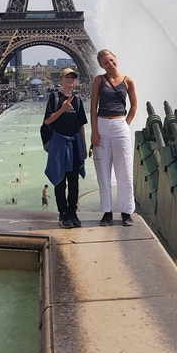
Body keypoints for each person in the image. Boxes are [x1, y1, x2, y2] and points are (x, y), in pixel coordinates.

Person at [90, 49, 137, 226]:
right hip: (101, 126)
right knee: (102, 171)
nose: (109, 64)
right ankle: (107, 212)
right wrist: (94, 132)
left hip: (120, 126)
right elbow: (93, 106)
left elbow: (134, 106)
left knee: (124, 170)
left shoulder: (128, 81)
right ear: (101, 66)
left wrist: (126, 124)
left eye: (111, 60)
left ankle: (126, 212)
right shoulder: (99, 80)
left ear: (115, 59)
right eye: (105, 63)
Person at [43, 67, 88, 228]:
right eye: (67, 77)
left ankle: (72, 211)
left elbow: (81, 125)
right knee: (60, 180)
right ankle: (63, 214)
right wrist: (62, 109)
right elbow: (47, 121)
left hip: (74, 144)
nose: (70, 80)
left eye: (72, 77)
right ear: (61, 80)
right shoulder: (54, 98)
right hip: (59, 144)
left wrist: (83, 145)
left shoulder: (78, 100)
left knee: (74, 181)